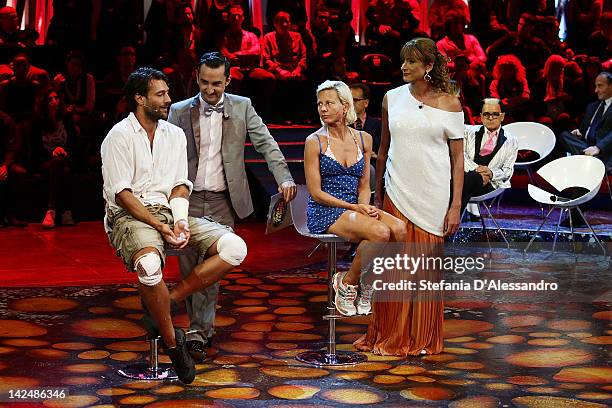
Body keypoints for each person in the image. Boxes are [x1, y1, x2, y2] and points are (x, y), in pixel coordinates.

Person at [101, 67, 247, 384]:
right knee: (151, 265)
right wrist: (159, 225)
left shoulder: (174, 135)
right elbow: (123, 195)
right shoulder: (118, 136)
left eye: (167, 93)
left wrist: (179, 220)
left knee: (235, 248)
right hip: (130, 215)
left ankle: (168, 301)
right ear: (139, 99)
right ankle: (172, 344)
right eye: (160, 94)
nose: (168, 99)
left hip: (169, 211)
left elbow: (180, 186)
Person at [167, 52, 296, 359]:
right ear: (197, 78)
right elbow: (164, 152)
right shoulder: (179, 111)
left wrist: (285, 177)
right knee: (188, 264)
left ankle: (199, 331)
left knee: (215, 266)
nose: (210, 90)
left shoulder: (242, 106)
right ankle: (195, 325)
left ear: (228, 80)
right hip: (187, 198)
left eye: (216, 84)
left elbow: (266, 143)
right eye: (204, 83)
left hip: (224, 200)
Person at [355, 37, 464, 356]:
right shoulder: (391, 98)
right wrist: (378, 196)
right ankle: (389, 335)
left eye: (412, 61)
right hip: (397, 191)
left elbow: (457, 160)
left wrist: (455, 205)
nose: (403, 66)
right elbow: (384, 148)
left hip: (433, 194)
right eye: (403, 60)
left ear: (429, 66)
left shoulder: (450, 103)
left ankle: (422, 337)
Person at [305, 80, 406, 316]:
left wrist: (364, 205)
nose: (323, 108)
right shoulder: (315, 141)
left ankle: (368, 283)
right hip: (326, 209)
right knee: (380, 232)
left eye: (329, 103)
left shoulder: (364, 139)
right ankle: (347, 282)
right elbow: (316, 193)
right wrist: (354, 206)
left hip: (355, 206)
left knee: (399, 229)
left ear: (344, 105)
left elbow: (363, 184)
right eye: (320, 104)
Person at [29, 90, 79, 228]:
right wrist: (52, 152)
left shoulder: (66, 118)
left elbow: (75, 142)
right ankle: (63, 212)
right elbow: (34, 148)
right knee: (59, 166)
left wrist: (64, 151)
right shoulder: (37, 121)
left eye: (56, 98)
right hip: (45, 160)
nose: (54, 101)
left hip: (65, 158)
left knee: (62, 166)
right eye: (50, 99)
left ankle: (52, 211)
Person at [462, 98, 518, 213]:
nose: (491, 117)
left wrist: (491, 173)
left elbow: (507, 171)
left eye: (495, 114)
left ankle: (452, 218)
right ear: (481, 116)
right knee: (468, 178)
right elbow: (461, 155)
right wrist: (476, 170)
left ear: (502, 117)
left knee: (458, 184)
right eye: (487, 114)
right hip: (467, 177)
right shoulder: (467, 131)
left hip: (491, 183)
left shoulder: (512, 140)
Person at [557, 71, 612, 174]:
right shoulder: (592, 106)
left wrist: (598, 147)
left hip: (602, 150)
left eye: (600, 86)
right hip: (586, 146)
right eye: (595, 86)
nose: (596, 90)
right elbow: (585, 130)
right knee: (564, 135)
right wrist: (579, 132)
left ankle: (593, 159)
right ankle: (593, 160)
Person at [0, 110, 28, 227]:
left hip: (3, 161)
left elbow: (12, 148)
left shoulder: (6, 120)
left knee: (19, 173)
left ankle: (11, 215)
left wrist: (4, 166)